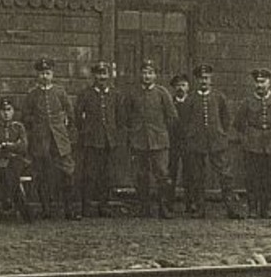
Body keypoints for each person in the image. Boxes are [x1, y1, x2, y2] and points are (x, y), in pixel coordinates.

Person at [180, 64, 242, 219]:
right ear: (197, 80)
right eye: (201, 78)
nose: (204, 81)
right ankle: (200, 209)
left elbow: (226, 119)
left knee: (225, 175)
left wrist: (220, 133)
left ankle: (231, 208)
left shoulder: (219, 97)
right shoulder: (191, 99)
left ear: (211, 79)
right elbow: (185, 121)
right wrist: (191, 135)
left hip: (216, 141)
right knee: (197, 176)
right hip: (196, 142)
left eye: (206, 78)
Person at [118, 59, 178, 218]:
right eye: (144, 73)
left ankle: (163, 207)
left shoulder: (162, 93)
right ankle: (143, 207)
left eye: (150, 73)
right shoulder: (132, 93)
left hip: (159, 141)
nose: (147, 76)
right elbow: (124, 117)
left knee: (162, 174)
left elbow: (172, 117)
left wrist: (163, 133)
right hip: (139, 140)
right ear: (140, 74)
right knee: (140, 175)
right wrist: (132, 134)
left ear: (155, 75)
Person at [22, 57, 75, 220]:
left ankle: (69, 209)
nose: (45, 76)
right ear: (37, 75)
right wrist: (37, 124)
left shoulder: (60, 92)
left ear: (52, 74)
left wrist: (64, 125)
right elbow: (25, 117)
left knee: (67, 172)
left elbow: (70, 114)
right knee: (42, 174)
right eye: (42, 73)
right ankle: (46, 209)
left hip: (59, 140)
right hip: (40, 141)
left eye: (47, 73)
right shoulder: (32, 94)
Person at [236, 68, 271, 219]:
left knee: (269, 178)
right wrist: (247, 139)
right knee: (253, 178)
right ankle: (253, 209)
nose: (260, 85)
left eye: (263, 82)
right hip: (252, 144)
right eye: (257, 82)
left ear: (269, 82)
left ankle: (266, 209)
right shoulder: (247, 102)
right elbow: (238, 124)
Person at [74, 61, 119, 218]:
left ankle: (104, 205)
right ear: (94, 76)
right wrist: (86, 131)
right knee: (89, 174)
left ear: (109, 76)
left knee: (106, 174)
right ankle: (87, 206)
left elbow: (120, 117)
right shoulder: (85, 94)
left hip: (109, 141)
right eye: (99, 74)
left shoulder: (114, 94)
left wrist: (114, 134)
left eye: (105, 74)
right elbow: (78, 117)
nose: (102, 77)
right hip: (91, 140)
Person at [0, 96, 33, 222]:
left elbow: (23, 147)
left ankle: (7, 199)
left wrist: (5, 146)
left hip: (16, 163)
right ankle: (25, 211)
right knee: (9, 172)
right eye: (3, 110)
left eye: (8, 110)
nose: (6, 113)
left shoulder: (19, 127)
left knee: (13, 166)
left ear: (13, 111)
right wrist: (13, 147)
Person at [167, 72, 192, 215]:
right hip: (172, 143)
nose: (180, 88)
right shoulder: (169, 103)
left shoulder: (192, 103)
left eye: (183, 85)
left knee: (190, 175)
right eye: (177, 86)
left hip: (189, 143)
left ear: (188, 87)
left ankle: (190, 204)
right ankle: (169, 205)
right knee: (171, 173)